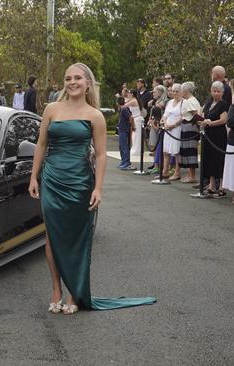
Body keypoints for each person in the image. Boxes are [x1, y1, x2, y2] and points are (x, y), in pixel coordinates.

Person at [28, 62, 155, 314]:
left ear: (87, 83)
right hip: (52, 179)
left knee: (78, 238)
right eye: (68, 78)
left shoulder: (94, 115)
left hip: (79, 182)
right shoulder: (51, 109)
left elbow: (100, 155)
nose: (72, 82)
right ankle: (56, 290)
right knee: (52, 236)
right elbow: (41, 144)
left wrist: (98, 188)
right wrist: (34, 177)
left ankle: (75, 293)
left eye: (77, 78)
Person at [200, 81, 229, 197]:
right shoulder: (208, 103)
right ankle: (212, 185)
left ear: (222, 92)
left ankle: (222, 186)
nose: (216, 94)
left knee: (219, 159)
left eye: (218, 91)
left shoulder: (224, 104)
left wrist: (211, 123)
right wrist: (202, 121)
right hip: (208, 134)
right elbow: (203, 115)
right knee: (209, 158)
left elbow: (224, 120)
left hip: (218, 134)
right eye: (214, 91)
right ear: (211, 91)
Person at [178, 81, 201, 183]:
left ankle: (192, 176)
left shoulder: (190, 101)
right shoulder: (189, 100)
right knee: (187, 151)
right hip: (188, 126)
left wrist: (200, 123)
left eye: (182, 90)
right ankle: (189, 174)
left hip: (190, 127)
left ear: (185, 90)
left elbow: (195, 114)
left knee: (190, 151)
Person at [162, 83, 184, 180]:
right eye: (173, 91)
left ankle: (177, 172)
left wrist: (174, 125)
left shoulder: (183, 102)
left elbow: (183, 117)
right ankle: (165, 171)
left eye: (177, 91)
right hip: (167, 128)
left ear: (181, 92)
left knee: (176, 151)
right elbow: (165, 115)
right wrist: (165, 123)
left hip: (177, 128)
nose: (175, 93)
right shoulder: (169, 102)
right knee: (166, 150)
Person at [147, 85, 168, 174]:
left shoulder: (164, 101)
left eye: (155, 92)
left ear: (160, 92)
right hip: (153, 122)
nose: (153, 94)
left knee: (155, 144)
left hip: (158, 124)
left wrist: (154, 102)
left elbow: (159, 107)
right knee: (152, 144)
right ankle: (155, 164)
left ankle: (158, 165)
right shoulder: (156, 100)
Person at [125, 89, 144, 157]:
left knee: (136, 136)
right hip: (135, 118)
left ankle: (136, 151)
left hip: (137, 119)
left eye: (129, 93)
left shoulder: (133, 101)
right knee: (134, 136)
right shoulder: (133, 100)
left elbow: (124, 106)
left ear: (132, 94)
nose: (128, 94)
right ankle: (134, 150)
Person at [116, 96, 133, 170]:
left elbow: (130, 117)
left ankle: (126, 162)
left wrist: (131, 126)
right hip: (122, 129)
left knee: (124, 146)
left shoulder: (124, 109)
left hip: (124, 130)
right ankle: (123, 160)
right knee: (121, 146)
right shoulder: (122, 109)